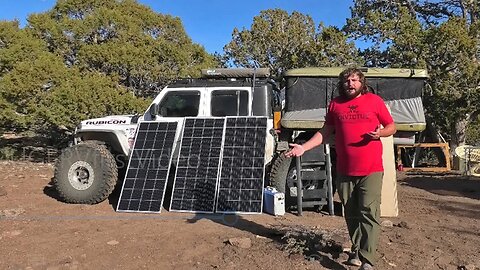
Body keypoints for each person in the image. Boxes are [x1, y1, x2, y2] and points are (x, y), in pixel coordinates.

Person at [285, 67, 396, 270]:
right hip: (345, 169)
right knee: (351, 212)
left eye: (354, 80)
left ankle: (367, 260)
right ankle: (356, 250)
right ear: (341, 84)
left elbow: (391, 126)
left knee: (369, 211)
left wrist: (380, 134)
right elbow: (325, 132)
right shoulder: (336, 104)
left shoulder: (374, 101)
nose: (350, 84)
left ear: (362, 82)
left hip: (371, 169)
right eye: (346, 81)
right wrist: (303, 147)